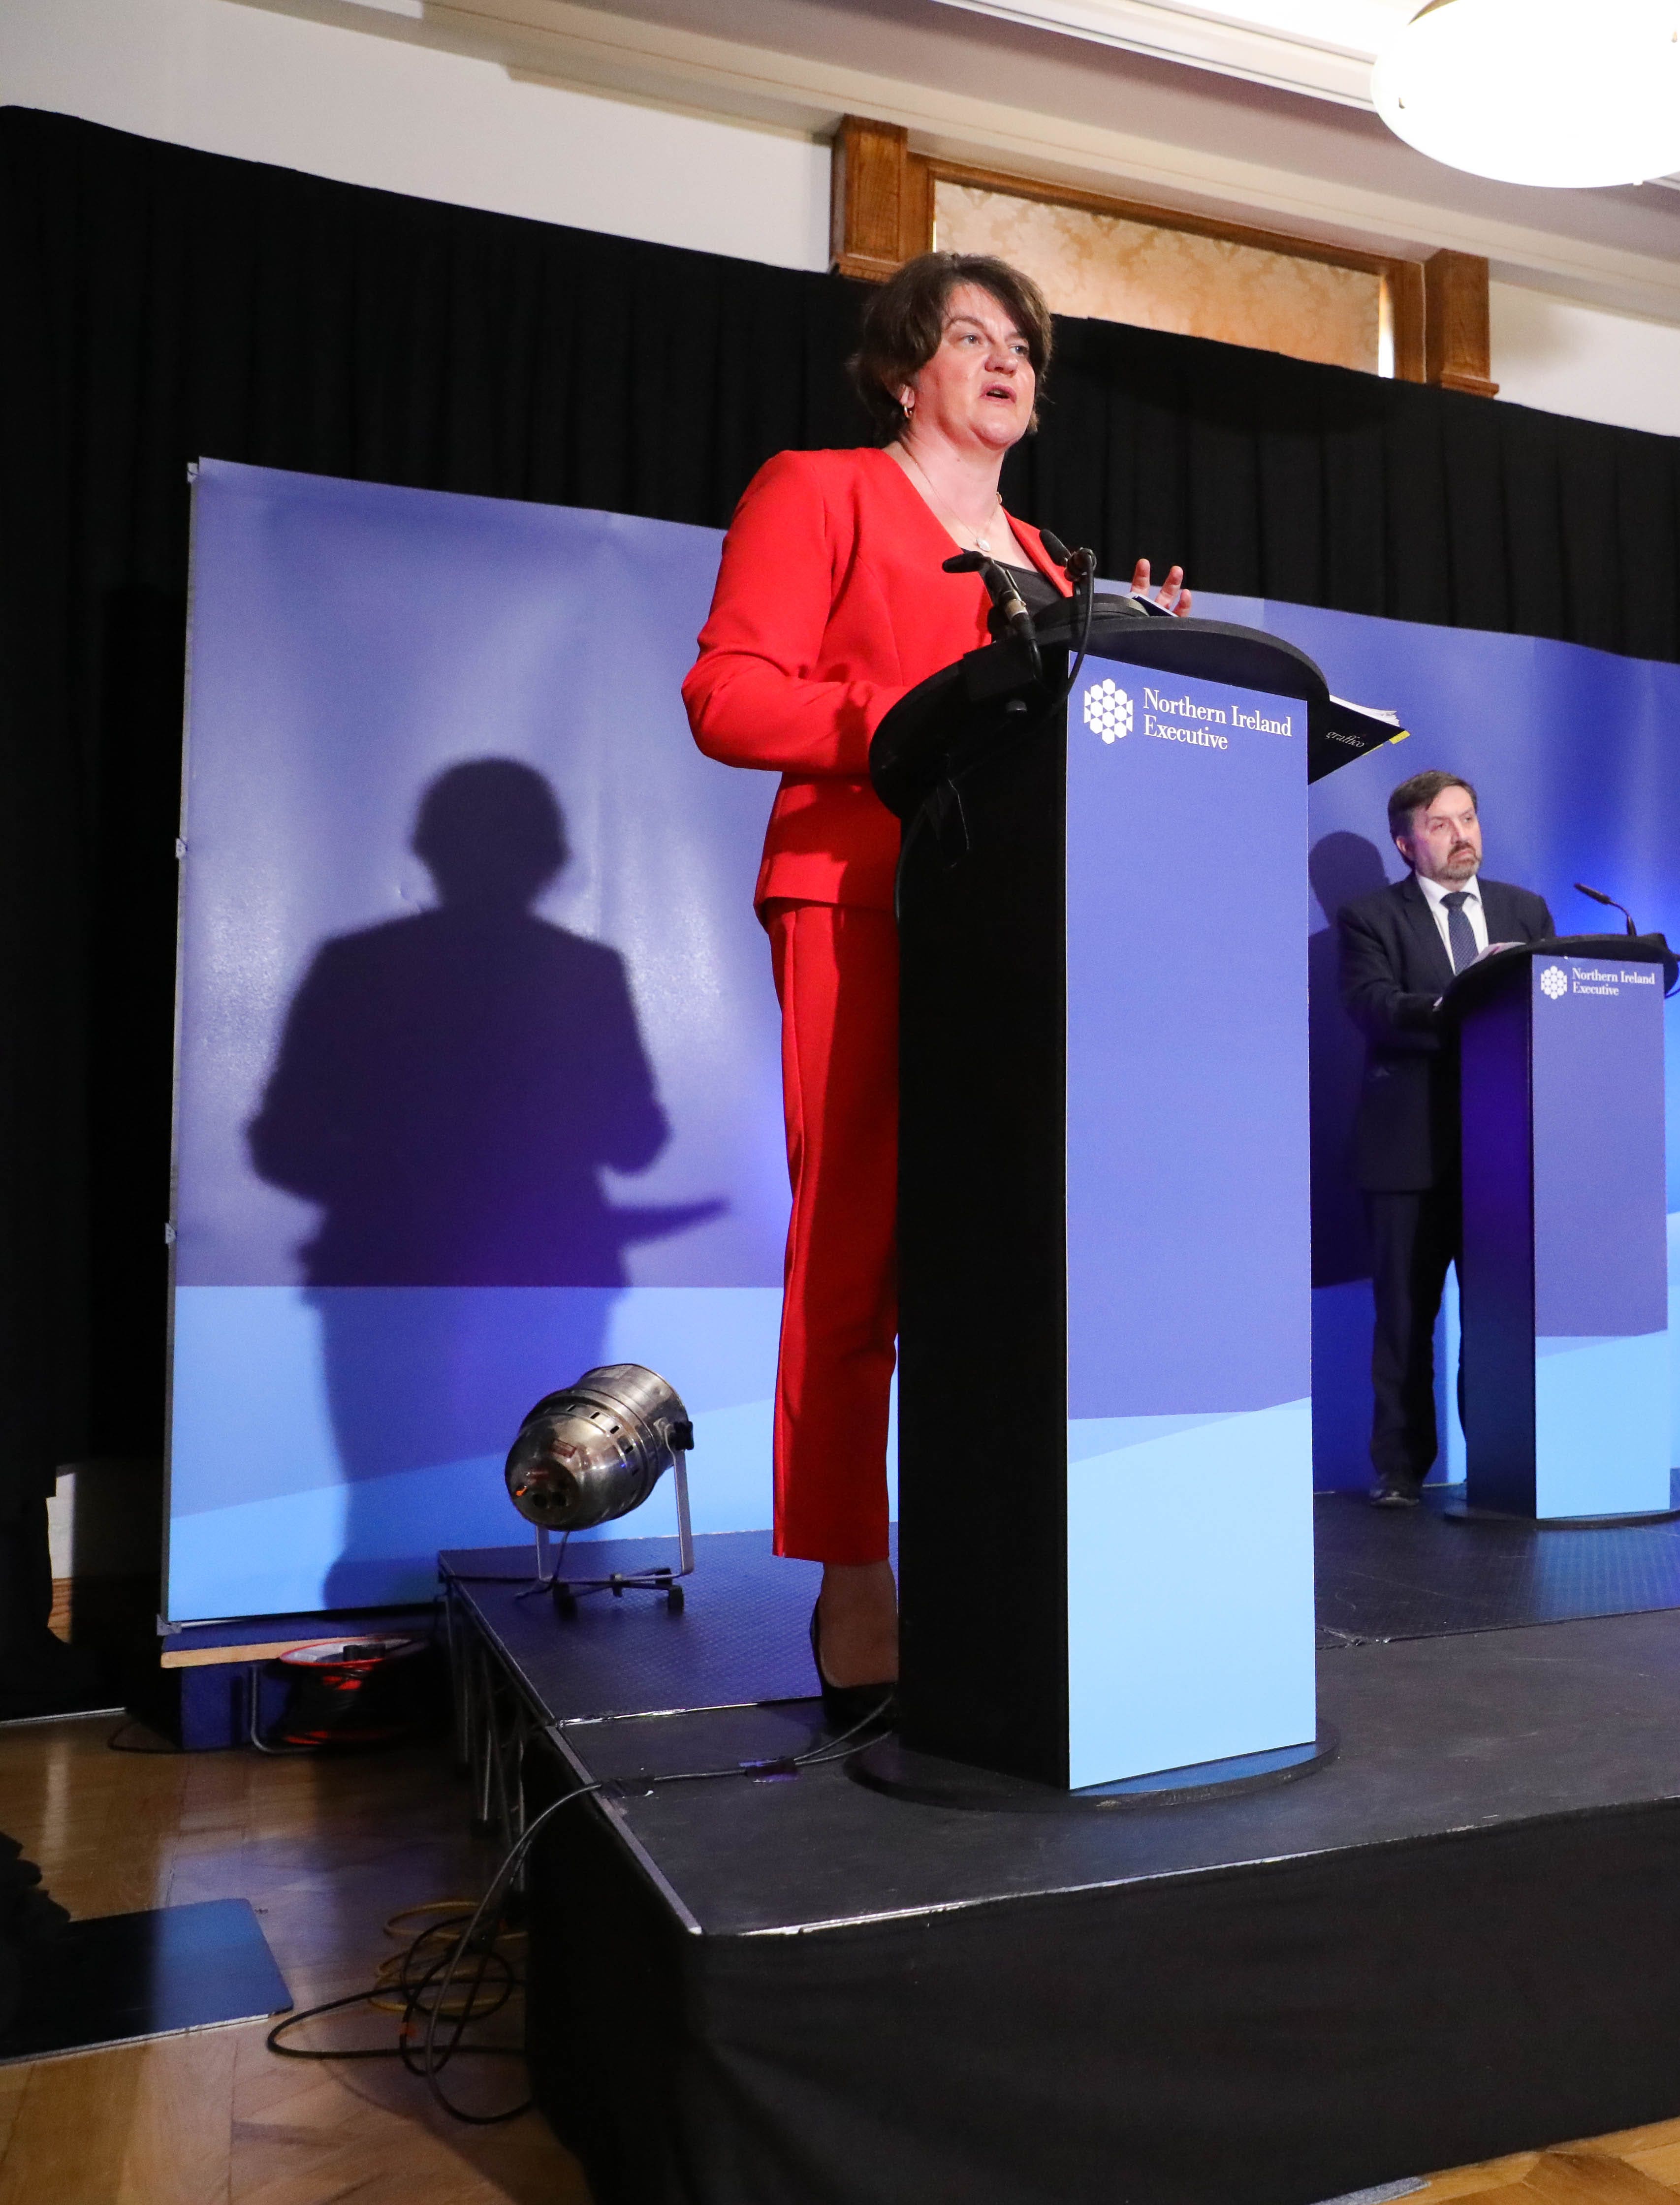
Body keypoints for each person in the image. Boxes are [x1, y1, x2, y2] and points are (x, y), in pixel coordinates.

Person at [682, 252, 1189, 1723]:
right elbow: (728, 695)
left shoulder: (1048, 555)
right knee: (858, 1244)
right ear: (906, 370)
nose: (1004, 357)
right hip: (861, 900)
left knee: (1005, 1259)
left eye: (1021, 341)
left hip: (1017, 922)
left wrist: (1136, 663)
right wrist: (906, 716)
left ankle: (1003, 1557)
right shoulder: (821, 490)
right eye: (969, 335)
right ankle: (855, 1580)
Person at [1335, 771, 1555, 1506]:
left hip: (1502, 1153)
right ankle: (1400, 1470)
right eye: (1441, 824)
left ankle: (1500, 1461)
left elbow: (1552, 1011)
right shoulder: (1371, 917)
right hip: (1409, 1153)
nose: (1463, 835)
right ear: (1406, 842)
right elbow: (1372, 1008)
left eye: (1469, 818)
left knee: (1496, 1322)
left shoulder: (1526, 911)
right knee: (1405, 1319)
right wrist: (1460, 1000)